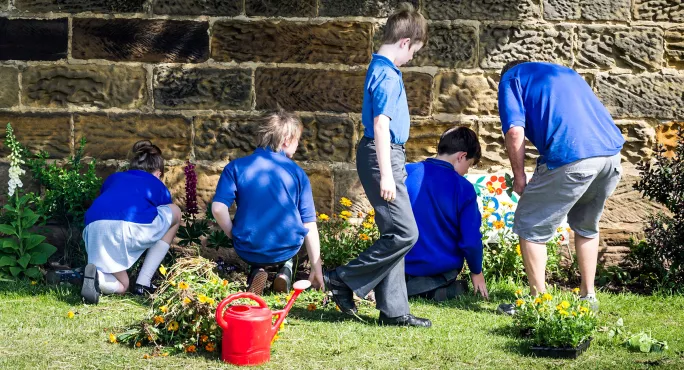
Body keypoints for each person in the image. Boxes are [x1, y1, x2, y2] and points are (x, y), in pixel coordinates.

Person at [322, 3, 431, 327]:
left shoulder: (383, 69)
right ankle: (341, 279)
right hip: (381, 154)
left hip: (384, 153)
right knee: (406, 232)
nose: (412, 58)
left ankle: (394, 311)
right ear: (404, 43)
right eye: (414, 51)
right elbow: (381, 125)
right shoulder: (385, 73)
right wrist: (386, 174)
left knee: (393, 232)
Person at [496, 61, 624, 314]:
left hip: (573, 155)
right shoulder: (565, 73)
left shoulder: (511, 78)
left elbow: (514, 131)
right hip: (610, 154)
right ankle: (588, 297)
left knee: (530, 224)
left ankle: (538, 302)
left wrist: (519, 176)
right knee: (586, 225)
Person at [211, 110, 324, 295]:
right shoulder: (297, 173)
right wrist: (316, 266)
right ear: (287, 140)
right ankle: (285, 271)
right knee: (295, 235)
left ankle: (257, 271)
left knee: (257, 244)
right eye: (298, 141)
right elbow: (309, 223)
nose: (297, 147)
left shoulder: (235, 167)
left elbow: (217, 208)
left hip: (248, 247)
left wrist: (232, 233)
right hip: (287, 246)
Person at [81, 140, 181, 305]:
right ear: (158, 173)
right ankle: (144, 282)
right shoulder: (156, 183)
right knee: (175, 212)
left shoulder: (113, 178)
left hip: (93, 229)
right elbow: (163, 213)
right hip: (127, 228)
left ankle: (94, 276)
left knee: (123, 285)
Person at [404, 127, 489, 302]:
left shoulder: (407, 172)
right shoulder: (463, 188)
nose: (466, 171)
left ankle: (407, 287)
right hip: (440, 269)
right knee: (456, 282)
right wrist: (476, 272)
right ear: (461, 156)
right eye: (469, 165)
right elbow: (470, 241)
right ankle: (434, 290)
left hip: (402, 265)